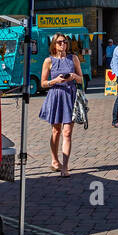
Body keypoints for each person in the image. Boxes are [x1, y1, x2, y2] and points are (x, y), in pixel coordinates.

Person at [38, 34, 83, 177]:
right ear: (54, 45)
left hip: (70, 96)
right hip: (56, 96)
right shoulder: (48, 61)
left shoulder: (73, 58)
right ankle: (55, 160)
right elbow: (43, 83)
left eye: (65, 42)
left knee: (67, 133)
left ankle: (65, 166)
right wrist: (55, 80)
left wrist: (74, 77)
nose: (63, 44)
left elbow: (81, 80)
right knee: (56, 131)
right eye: (59, 42)